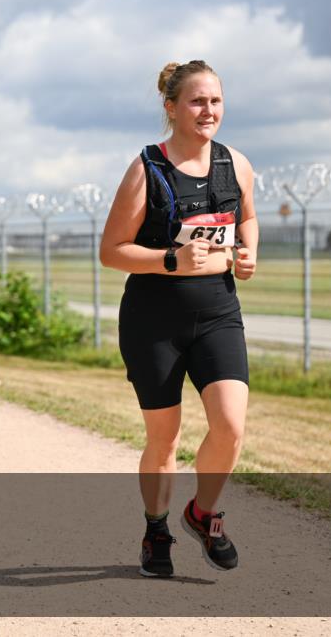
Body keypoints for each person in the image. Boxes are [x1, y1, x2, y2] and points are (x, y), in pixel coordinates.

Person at [99, 60, 258, 578]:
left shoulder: (235, 164)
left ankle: (203, 513)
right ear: (171, 108)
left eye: (215, 100)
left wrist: (249, 253)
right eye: (196, 101)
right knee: (164, 439)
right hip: (154, 322)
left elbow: (248, 218)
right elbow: (112, 250)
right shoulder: (147, 168)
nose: (208, 110)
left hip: (218, 313)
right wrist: (171, 259)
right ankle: (156, 530)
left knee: (230, 426)